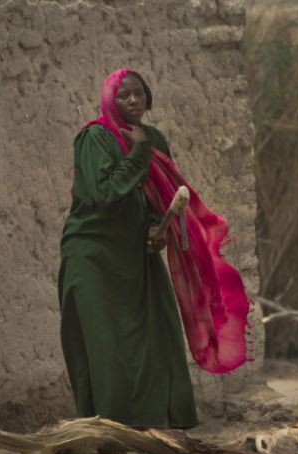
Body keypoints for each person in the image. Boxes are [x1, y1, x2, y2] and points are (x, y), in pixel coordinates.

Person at [58, 70, 199, 429]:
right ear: (110, 101)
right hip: (93, 254)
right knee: (103, 344)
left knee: (159, 331)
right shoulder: (94, 138)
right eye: (124, 96)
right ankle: (107, 428)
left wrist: (157, 226)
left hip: (136, 254)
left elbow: (159, 194)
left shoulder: (154, 140)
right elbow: (104, 193)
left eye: (139, 94)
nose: (133, 101)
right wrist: (138, 151)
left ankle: (153, 423)